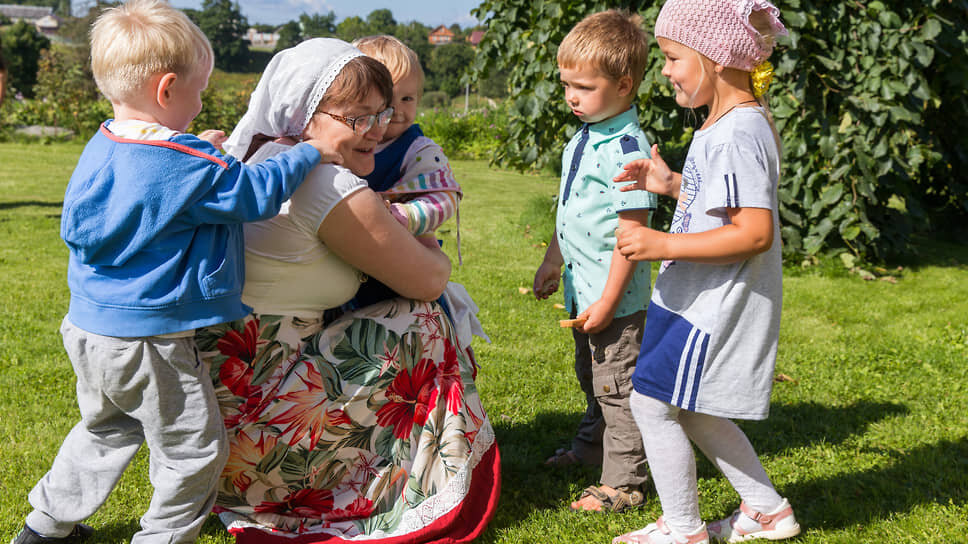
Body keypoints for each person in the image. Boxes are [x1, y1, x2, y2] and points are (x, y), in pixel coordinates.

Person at [10, 1, 339, 544]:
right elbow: (253, 194)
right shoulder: (185, 166)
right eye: (199, 90)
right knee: (193, 450)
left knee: (106, 429)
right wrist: (308, 151)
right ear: (167, 91)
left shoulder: (105, 145)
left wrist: (198, 150)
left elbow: (159, 182)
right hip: (150, 341)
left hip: (91, 330)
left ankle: (45, 528)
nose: (202, 101)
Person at [196, 37, 499, 544]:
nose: (378, 131)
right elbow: (428, 278)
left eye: (380, 113)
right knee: (424, 317)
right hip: (266, 440)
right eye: (357, 118)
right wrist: (436, 250)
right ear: (304, 113)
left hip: (223, 421)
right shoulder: (325, 185)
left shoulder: (259, 162)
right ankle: (393, 480)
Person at [610, 1, 799, 543]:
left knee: (652, 403)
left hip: (708, 307)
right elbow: (722, 205)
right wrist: (671, 187)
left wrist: (660, 240)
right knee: (687, 408)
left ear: (714, 56)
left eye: (671, 56)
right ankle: (767, 510)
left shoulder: (737, 132)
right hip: (693, 298)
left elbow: (753, 232)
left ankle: (683, 530)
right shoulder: (726, 125)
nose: (664, 69)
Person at [532, 9, 656, 513]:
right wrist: (550, 261)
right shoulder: (583, 138)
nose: (571, 98)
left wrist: (608, 300)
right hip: (584, 290)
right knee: (593, 377)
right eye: (566, 85)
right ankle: (590, 448)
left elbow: (633, 234)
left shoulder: (628, 150)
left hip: (616, 298)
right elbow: (571, 211)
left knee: (618, 388)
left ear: (624, 84)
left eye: (582, 87)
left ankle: (625, 482)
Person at [348, 34, 462, 307]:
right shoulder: (346, 140)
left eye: (408, 98)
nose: (397, 109)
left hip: (404, 277)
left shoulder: (418, 150)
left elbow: (446, 198)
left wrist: (404, 215)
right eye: (386, 98)